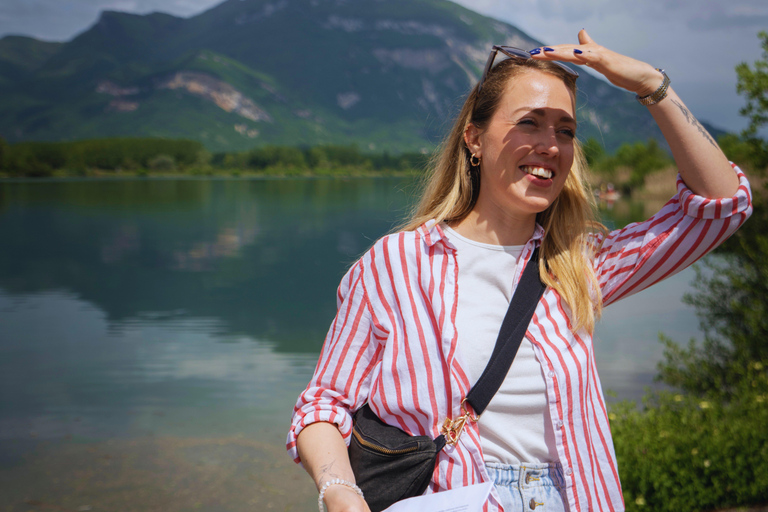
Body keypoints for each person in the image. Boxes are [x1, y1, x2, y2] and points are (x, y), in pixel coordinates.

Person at [286, 30, 752, 512]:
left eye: (565, 130)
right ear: (475, 140)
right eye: (530, 122)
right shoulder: (395, 264)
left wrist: (651, 84)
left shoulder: (578, 263)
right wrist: (341, 494)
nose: (550, 145)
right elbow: (323, 406)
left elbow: (721, 209)